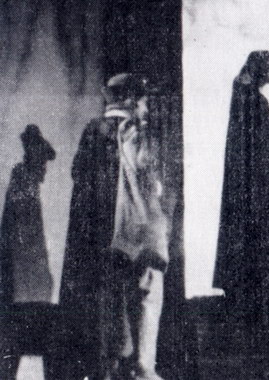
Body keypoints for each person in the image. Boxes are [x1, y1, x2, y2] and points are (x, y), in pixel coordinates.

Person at [56, 73, 169, 380]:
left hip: (103, 240)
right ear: (131, 101)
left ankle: (112, 369)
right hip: (140, 235)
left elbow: (80, 178)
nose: (146, 108)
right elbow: (151, 186)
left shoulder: (92, 131)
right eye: (143, 101)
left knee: (110, 303)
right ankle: (142, 369)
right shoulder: (136, 131)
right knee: (147, 297)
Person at [214, 50, 269, 325]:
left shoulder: (246, 99)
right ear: (260, 69)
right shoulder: (253, 102)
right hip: (256, 190)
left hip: (253, 187)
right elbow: (254, 154)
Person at [0, 125, 56, 378]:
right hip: (21, 286)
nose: (45, 168)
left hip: (25, 286)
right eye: (42, 162)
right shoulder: (24, 184)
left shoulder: (25, 182)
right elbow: (23, 239)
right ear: (33, 156)